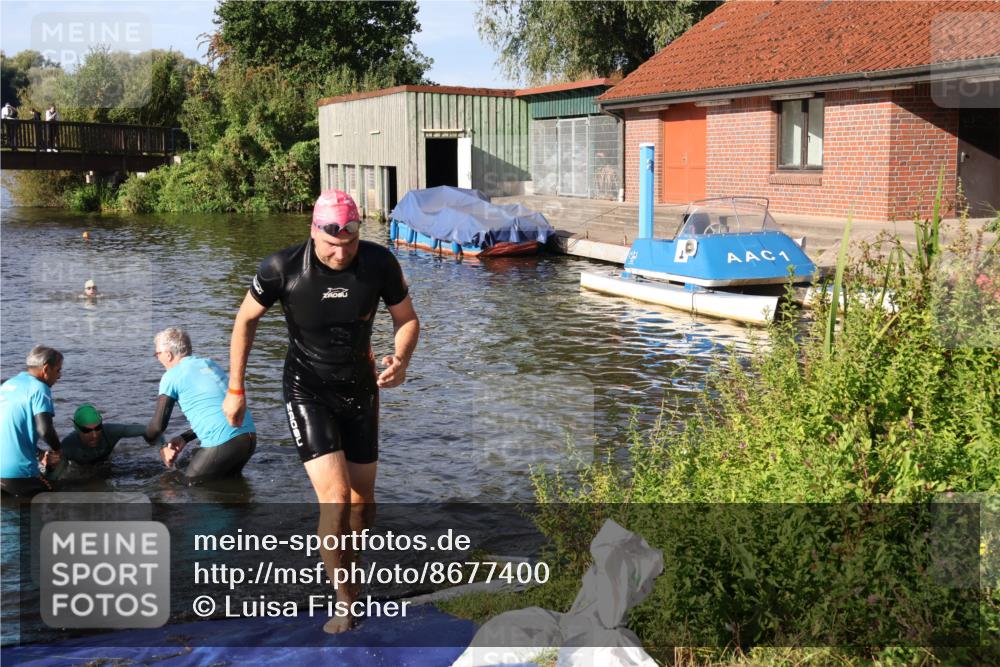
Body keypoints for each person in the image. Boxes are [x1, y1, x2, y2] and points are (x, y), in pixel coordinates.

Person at [222, 189, 419, 633]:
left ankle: (352, 565)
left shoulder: (379, 264)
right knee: (335, 499)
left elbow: (406, 319)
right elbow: (244, 321)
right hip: (306, 388)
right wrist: (236, 388)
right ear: (313, 231)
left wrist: (401, 359)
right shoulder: (282, 268)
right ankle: (346, 601)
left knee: (362, 506)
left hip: (361, 390)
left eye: (349, 243)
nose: (341, 252)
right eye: (332, 244)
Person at [146, 327, 256, 485]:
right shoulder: (209, 364)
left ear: (168, 354)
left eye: (157, 354)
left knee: (187, 486)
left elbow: (157, 427)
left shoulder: (171, 376)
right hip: (249, 437)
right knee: (230, 486)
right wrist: (185, 437)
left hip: (224, 442)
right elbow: (219, 412)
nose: (157, 358)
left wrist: (151, 440)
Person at [0, 346, 64, 497]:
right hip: (19, 475)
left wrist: (40, 453)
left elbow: (11, 431)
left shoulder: (8, 384)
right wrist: (58, 451)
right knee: (56, 496)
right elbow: (45, 430)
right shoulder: (40, 389)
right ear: (46, 369)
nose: (59, 376)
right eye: (58, 370)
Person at [45, 404, 159, 480]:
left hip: (106, 463)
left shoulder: (111, 431)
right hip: (82, 468)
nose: (94, 435)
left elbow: (149, 429)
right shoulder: (68, 447)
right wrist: (50, 467)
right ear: (77, 429)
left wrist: (163, 447)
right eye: (87, 431)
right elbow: (52, 480)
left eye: (98, 428)